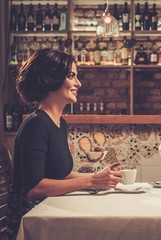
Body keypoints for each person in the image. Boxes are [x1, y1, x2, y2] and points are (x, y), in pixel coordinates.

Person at [6, 49, 123, 239]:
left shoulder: (59, 123)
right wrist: (91, 181)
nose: (78, 83)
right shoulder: (36, 124)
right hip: (31, 222)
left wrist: (99, 177)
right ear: (50, 79)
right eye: (71, 76)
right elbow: (34, 189)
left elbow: (61, 174)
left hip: (49, 212)